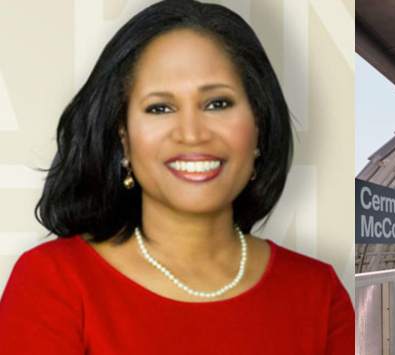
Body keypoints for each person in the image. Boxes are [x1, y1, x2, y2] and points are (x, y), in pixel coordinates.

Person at [0, 1, 354, 354]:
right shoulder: (53, 282)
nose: (192, 133)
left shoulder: (319, 294)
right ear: (123, 133)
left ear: (259, 125)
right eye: (160, 108)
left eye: (217, 103)